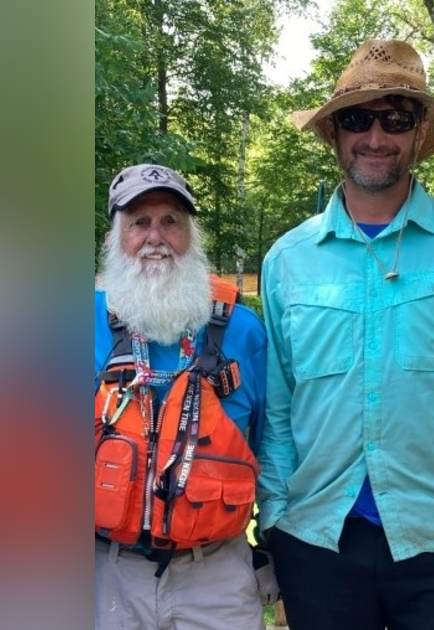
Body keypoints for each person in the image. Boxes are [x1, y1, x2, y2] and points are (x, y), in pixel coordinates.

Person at [257, 39, 434, 630]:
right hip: (315, 540)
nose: (375, 137)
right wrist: (274, 516)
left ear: (417, 131)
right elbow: (277, 410)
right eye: (357, 118)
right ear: (333, 132)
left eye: (395, 119)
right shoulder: (288, 259)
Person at [94, 163, 275, 630]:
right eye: (139, 222)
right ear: (116, 237)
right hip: (104, 573)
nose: (156, 236)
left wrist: (275, 550)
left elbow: (274, 446)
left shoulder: (243, 331)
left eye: (171, 221)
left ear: (192, 235)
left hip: (215, 573)